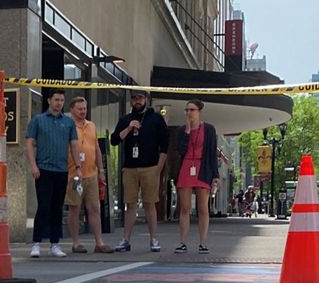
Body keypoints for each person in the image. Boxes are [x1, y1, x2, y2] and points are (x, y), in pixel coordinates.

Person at [110, 90, 169, 252]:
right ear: (131, 101)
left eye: (140, 98)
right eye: (134, 98)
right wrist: (129, 128)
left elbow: (165, 145)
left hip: (150, 167)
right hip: (130, 167)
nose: (137, 101)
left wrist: (159, 168)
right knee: (130, 204)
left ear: (146, 100)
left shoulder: (156, 119)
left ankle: (154, 239)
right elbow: (114, 140)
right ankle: (126, 240)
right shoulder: (126, 119)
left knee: (150, 204)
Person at [25, 89, 80, 258]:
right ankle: (36, 243)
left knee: (57, 207)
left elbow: (74, 145)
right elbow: (29, 143)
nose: (59, 103)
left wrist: (78, 167)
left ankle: (55, 244)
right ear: (49, 101)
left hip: (61, 169)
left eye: (62, 100)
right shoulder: (38, 120)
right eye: (56, 99)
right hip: (43, 169)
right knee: (43, 206)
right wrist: (33, 165)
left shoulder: (69, 123)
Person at [63, 96, 114, 254]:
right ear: (72, 110)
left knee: (94, 208)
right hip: (74, 174)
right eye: (79, 109)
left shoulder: (91, 126)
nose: (83, 112)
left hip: (91, 173)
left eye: (84, 108)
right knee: (75, 208)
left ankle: (99, 242)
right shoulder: (67, 125)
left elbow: (97, 148)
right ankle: (76, 243)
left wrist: (101, 170)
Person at [173, 99, 220, 253]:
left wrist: (216, 175)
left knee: (203, 208)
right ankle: (182, 242)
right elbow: (180, 150)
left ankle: (203, 242)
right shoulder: (181, 130)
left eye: (192, 110)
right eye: (187, 110)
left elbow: (212, 153)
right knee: (185, 208)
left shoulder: (209, 129)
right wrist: (187, 131)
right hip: (186, 167)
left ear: (199, 112)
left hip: (203, 167)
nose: (189, 113)